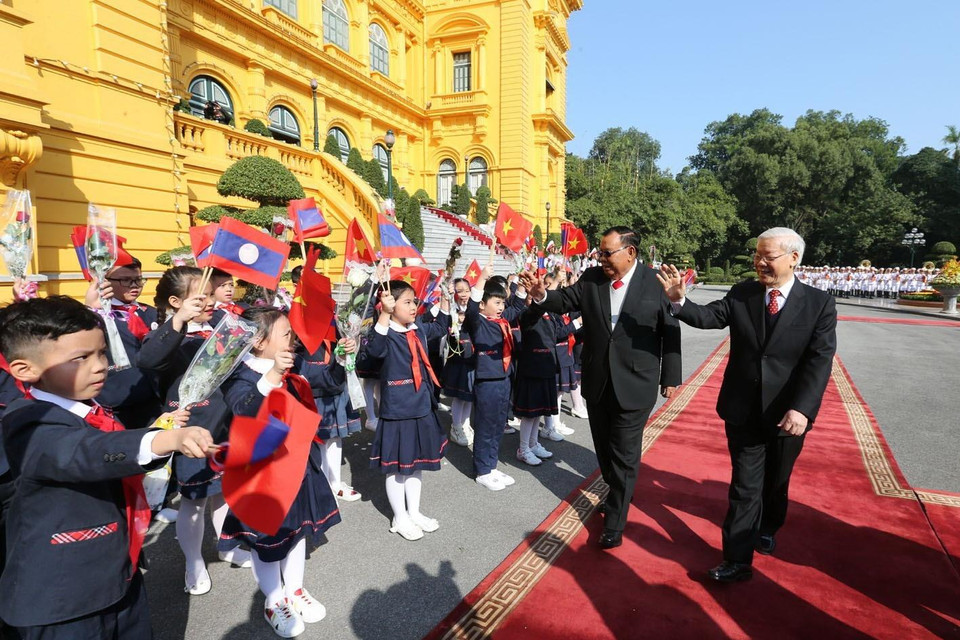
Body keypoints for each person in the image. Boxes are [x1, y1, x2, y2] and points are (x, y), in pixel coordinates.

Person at [0, 296, 214, 639]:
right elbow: (83, 451)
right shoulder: (27, 420)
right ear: (25, 370)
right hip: (63, 599)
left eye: (101, 352)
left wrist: (161, 426)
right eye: (80, 358)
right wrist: (161, 440)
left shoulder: (91, 407)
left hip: (119, 575)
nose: (100, 366)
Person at [656, 227, 837, 583]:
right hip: (743, 409)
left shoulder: (819, 303)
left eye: (768, 257)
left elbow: (819, 360)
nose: (760, 263)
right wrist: (680, 302)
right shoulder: (743, 294)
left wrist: (802, 408)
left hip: (788, 414)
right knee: (744, 486)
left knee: (776, 482)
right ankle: (736, 559)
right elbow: (710, 317)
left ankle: (768, 525)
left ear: (793, 258)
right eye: (757, 255)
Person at [521, 226, 682, 549]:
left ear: (630, 252)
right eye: (600, 253)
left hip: (636, 382)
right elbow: (564, 300)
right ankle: (619, 487)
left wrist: (670, 376)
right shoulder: (593, 278)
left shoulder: (655, 283)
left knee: (624, 452)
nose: (601, 259)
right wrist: (542, 295)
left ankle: (615, 520)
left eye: (607, 253)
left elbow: (670, 328)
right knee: (606, 450)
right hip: (597, 380)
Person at [220, 308, 343, 638]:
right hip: (262, 476)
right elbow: (245, 408)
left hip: (297, 464)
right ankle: (274, 599)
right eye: (286, 333)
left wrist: (342, 359)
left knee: (297, 531)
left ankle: (296, 589)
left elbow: (326, 381)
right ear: (259, 342)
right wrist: (273, 374)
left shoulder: (293, 365)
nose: (293, 339)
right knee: (267, 541)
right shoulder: (238, 374)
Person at [362, 280, 451, 540]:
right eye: (407, 302)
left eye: (414, 301)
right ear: (391, 305)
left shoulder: (417, 328)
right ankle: (399, 517)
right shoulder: (384, 332)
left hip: (421, 406)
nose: (414, 307)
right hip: (398, 410)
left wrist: (446, 299)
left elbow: (440, 327)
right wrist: (384, 313)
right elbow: (373, 352)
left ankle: (414, 511)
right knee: (397, 468)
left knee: (416, 464)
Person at [463, 266, 528, 491]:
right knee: (486, 426)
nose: (501, 307)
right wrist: (481, 279)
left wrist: (522, 284)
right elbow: (471, 308)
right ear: (483, 304)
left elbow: (517, 306)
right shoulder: (477, 321)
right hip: (487, 381)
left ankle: (491, 465)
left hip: (504, 379)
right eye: (497, 303)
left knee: (499, 424)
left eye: (502, 303)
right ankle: (482, 470)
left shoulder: (501, 320)